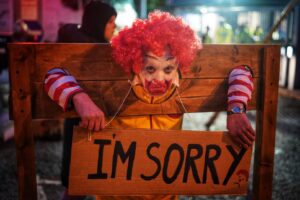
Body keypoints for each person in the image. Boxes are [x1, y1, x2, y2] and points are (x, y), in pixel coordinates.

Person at [44, 11, 255, 200]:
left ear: (179, 66)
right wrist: (80, 98)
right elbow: (51, 73)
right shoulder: (113, 88)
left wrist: (236, 108)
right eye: (150, 68)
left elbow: (243, 69)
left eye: (169, 68)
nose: (160, 79)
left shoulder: (179, 89)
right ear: (135, 64)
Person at [55, 1, 117, 200]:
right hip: (80, 123)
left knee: (78, 185)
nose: (114, 26)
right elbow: (52, 72)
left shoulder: (74, 41)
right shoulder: (85, 50)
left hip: (91, 123)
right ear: (100, 23)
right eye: (111, 22)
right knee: (78, 183)